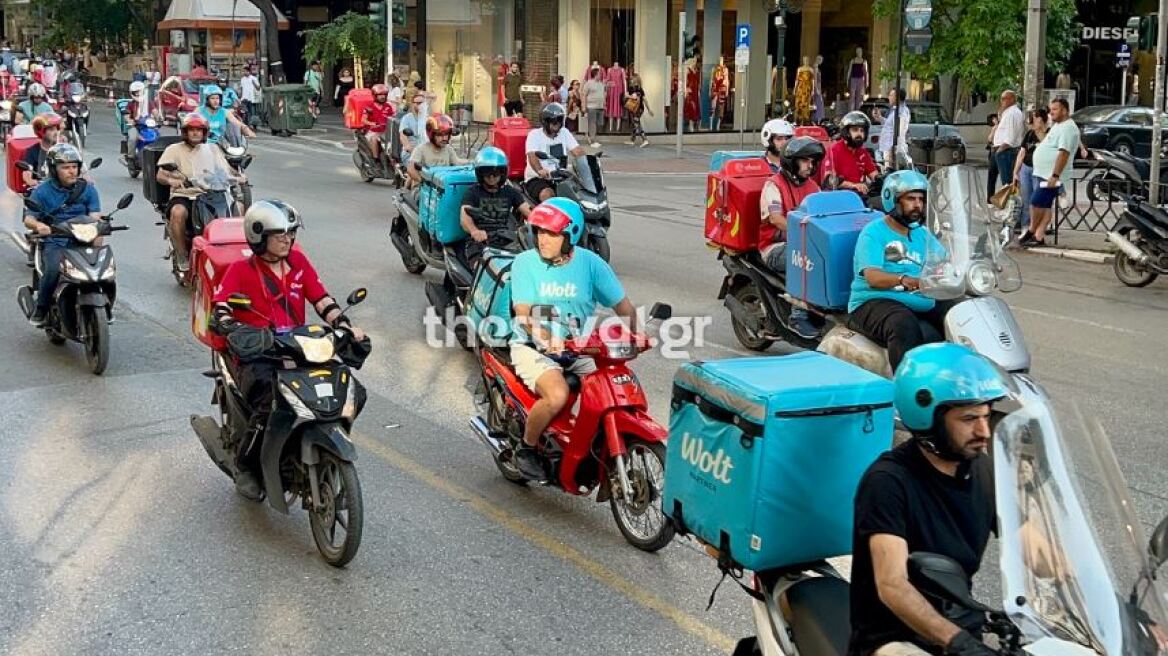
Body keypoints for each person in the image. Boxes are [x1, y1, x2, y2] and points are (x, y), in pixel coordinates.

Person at [848, 342, 1009, 656]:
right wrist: (958, 643)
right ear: (927, 418)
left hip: (961, 632)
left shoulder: (983, 471)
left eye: (986, 417)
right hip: (896, 640)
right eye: (968, 419)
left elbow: (1033, 548)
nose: (984, 431)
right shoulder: (888, 482)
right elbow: (892, 585)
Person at [210, 200, 366, 500]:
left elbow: (322, 300)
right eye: (278, 234)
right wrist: (232, 326)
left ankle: (318, 442)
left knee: (349, 391)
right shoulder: (240, 270)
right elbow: (221, 308)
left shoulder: (298, 263)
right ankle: (246, 466)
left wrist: (345, 326)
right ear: (258, 237)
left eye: (290, 233)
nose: (287, 239)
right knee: (268, 404)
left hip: (298, 349)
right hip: (258, 354)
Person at [507, 198, 637, 479]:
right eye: (539, 231)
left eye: (551, 233)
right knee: (557, 395)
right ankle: (526, 448)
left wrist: (637, 335)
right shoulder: (525, 263)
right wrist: (545, 337)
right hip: (533, 347)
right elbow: (523, 313)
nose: (543, 239)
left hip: (579, 348)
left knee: (613, 389)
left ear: (571, 234)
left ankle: (592, 443)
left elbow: (623, 307)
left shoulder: (591, 264)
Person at [846, 170, 955, 371]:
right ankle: (904, 387)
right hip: (872, 300)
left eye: (921, 199)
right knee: (902, 323)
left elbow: (945, 260)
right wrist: (904, 280)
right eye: (911, 199)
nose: (918, 205)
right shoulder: (873, 232)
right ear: (893, 200)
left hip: (921, 298)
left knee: (960, 312)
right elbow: (873, 277)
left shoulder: (922, 234)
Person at [23, 144, 101, 326]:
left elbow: (95, 216)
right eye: (65, 167)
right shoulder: (42, 191)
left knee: (104, 269)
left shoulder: (88, 189)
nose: (71, 171)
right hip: (55, 241)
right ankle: (41, 308)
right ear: (54, 169)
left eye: (74, 167)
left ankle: (104, 305)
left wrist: (98, 231)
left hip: (82, 240)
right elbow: (29, 219)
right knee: (52, 270)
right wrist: (40, 225)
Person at [156, 113, 241, 273]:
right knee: (178, 212)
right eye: (191, 130)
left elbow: (225, 169)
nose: (195, 133)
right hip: (185, 195)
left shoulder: (212, 149)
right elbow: (160, 175)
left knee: (240, 209)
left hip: (210, 193)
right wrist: (172, 181)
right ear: (185, 132)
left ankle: (236, 254)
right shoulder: (174, 150)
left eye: (199, 130)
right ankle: (182, 254)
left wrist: (237, 177)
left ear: (204, 132)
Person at [758, 136, 824, 340]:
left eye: (812, 162)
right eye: (805, 161)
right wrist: (804, 232)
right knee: (804, 258)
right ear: (791, 161)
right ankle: (797, 316)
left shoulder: (813, 186)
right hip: (774, 247)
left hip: (806, 243)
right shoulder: (773, 185)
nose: (810, 166)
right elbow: (776, 219)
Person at [460, 146, 532, 266]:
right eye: (487, 173)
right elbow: (464, 217)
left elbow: (527, 210)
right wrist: (475, 231)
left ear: (503, 173)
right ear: (480, 174)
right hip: (481, 242)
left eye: (496, 173)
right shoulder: (472, 192)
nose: (492, 177)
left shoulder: (510, 191)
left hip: (508, 240)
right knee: (482, 270)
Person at [1023, 97, 1079, 248]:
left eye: (1055, 109)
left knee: (1036, 202)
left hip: (1051, 175)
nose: (1051, 112)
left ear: (1065, 110)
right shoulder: (1058, 125)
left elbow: (1063, 153)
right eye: (1051, 109)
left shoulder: (1068, 128)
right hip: (1043, 172)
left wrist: (1055, 175)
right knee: (1045, 205)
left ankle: (1031, 230)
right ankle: (1038, 236)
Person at [524, 103, 586, 203]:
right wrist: (540, 170)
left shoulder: (564, 133)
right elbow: (532, 156)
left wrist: (588, 163)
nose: (556, 123)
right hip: (537, 179)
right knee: (547, 194)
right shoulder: (534, 135)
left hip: (561, 178)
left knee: (580, 195)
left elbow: (578, 151)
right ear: (545, 121)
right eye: (552, 120)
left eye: (559, 119)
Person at [1011, 108, 1049, 235]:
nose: (1033, 121)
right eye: (1032, 117)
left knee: (1037, 200)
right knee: (1026, 199)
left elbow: (1049, 149)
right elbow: (1022, 153)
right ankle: (1026, 226)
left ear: (1042, 119)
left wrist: (1040, 130)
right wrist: (1015, 172)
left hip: (1040, 170)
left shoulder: (1048, 134)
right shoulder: (1029, 134)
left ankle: (1038, 227)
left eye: (1036, 117)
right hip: (1026, 168)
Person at [406, 113, 466, 186]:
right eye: (440, 135)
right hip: (423, 189)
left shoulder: (448, 149)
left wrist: (473, 162)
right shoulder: (421, 149)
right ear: (432, 135)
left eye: (446, 134)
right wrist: (422, 182)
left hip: (442, 188)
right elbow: (411, 168)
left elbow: (458, 163)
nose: (444, 138)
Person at [826, 111, 878, 195]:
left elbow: (873, 174)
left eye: (862, 131)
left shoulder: (863, 152)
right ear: (846, 132)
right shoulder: (834, 150)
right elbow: (829, 180)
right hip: (838, 197)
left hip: (859, 196)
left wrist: (884, 179)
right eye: (855, 130)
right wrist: (853, 185)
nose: (859, 134)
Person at [991, 90, 1025, 190]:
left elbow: (1011, 136)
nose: (1002, 101)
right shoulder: (1008, 112)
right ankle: (1007, 201)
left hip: (1006, 151)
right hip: (1003, 150)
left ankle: (1013, 202)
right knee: (1002, 179)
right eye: (1001, 99)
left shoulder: (1012, 113)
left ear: (1012, 99)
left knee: (1008, 182)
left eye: (1004, 98)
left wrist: (1000, 150)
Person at [21, 112, 63, 188]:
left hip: (63, 188)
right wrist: (31, 181)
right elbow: (27, 173)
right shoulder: (32, 151)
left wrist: (85, 179)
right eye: (51, 130)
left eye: (56, 129)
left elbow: (77, 168)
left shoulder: (63, 148)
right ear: (41, 132)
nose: (56, 132)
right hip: (43, 189)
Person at [120, 80, 157, 159]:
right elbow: (126, 115)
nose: (138, 94)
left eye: (140, 92)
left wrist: (160, 118)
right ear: (132, 93)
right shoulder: (131, 104)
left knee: (158, 137)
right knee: (133, 138)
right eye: (136, 93)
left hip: (148, 127)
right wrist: (130, 121)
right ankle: (131, 158)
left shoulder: (149, 103)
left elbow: (155, 112)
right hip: (135, 127)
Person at [877, 88, 910, 170]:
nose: (889, 97)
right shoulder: (895, 110)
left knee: (891, 172)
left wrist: (892, 149)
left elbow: (898, 131)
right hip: (889, 147)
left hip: (893, 148)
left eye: (891, 95)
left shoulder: (901, 112)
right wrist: (880, 118)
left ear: (897, 98)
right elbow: (890, 125)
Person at [361, 83, 396, 161]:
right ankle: (375, 158)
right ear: (375, 95)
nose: (383, 97)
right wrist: (372, 123)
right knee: (374, 138)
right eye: (380, 95)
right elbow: (363, 120)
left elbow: (393, 117)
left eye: (384, 95)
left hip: (385, 131)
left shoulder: (388, 106)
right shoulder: (369, 106)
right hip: (372, 131)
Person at [623, 75, 654, 148]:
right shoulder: (631, 88)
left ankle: (645, 139)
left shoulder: (639, 89)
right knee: (634, 123)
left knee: (637, 123)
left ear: (636, 80)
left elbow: (644, 99)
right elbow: (625, 95)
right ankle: (632, 140)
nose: (631, 80)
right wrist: (631, 97)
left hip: (638, 109)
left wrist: (649, 109)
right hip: (633, 108)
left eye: (632, 79)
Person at [582, 67, 606, 148]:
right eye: (600, 74)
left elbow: (603, 94)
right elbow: (584, 95)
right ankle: (592, 141)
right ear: (596, 74)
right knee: (592, 123)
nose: (601, 75)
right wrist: (584, 106)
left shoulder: (601, 84)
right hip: (591, 106)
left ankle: (593, 138)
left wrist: (604, 103)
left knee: (598, 123)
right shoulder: (589, 83)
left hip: (600, 106)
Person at [984, 115, 999, 201]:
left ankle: (990, 198)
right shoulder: (995, 127)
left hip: (995, 151)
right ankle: (990, 198)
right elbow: (989, 139)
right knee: (992, 175)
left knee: (992, 176)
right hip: (994, 151)